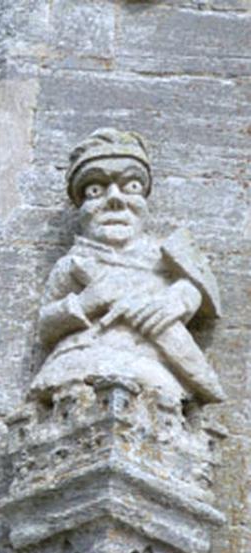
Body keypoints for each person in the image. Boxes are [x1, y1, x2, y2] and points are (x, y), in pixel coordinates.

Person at [31, 128, 225, 404]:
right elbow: (46, 325)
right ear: (82, 209)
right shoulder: (74, 264)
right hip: (81, 359)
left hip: (151, 362)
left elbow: (201, 289)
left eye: (131, 187)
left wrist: (180, 299)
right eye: (95, 190)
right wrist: (88, 301)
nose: (115, 199)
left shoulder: (165, 255)